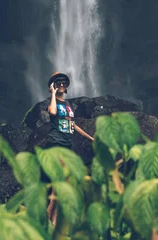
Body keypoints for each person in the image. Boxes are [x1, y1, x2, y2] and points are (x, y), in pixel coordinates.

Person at [45, 71, 94, 223]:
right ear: (53, 85)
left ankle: (54, 224)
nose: (61, 84)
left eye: (63, 82)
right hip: (55, 145)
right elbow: (52, 112)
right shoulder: (53, 103)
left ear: (66, 86)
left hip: (67, 145)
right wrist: (53, 94)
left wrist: (90, 137)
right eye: (58, 82)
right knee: (57, 188)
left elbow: (72, 125)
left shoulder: (67, 105)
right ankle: (49, 225)